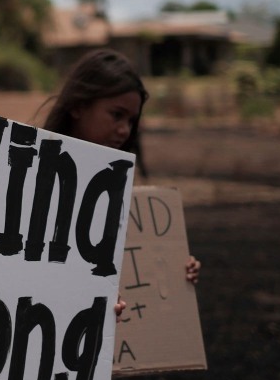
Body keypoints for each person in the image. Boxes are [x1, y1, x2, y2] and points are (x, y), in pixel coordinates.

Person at [40, 48, 201, 288]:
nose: (125, 130)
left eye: (131, 121)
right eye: (116, 115)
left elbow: (131, 267)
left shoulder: (119, 192)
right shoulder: (33, 179)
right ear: (78, 106)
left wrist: (175, 267)